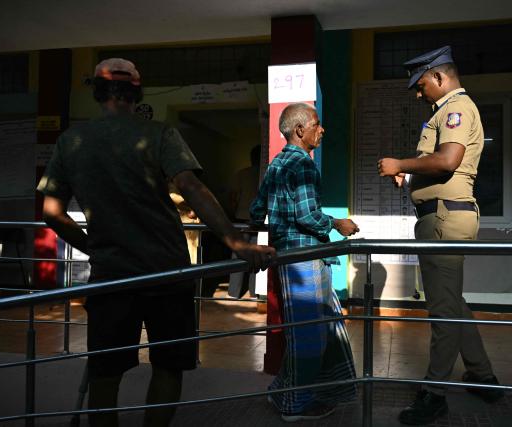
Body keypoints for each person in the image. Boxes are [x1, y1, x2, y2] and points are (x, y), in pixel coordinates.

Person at [37, 58, 275, 427]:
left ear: (98, 93)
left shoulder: (71, 141)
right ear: (137, 92)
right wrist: (236, 242)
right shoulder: (159, 134)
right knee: (168, 365)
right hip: (168, 271)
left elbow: (52, 212)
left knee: (105, 371)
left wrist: (93, 247)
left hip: (112, 275)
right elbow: (192, 188)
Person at [377, 46, 504, 425]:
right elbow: (439, 164)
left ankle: (435, 394)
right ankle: (483, 376)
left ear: (439, 77)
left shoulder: (455, 108)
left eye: (420, 85)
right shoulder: (445, 110)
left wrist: (400, 163)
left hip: (445, 219)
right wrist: (412, 174)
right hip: (440, 218)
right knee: (451, 302)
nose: (418, 93)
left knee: (443, 311)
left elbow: (449, 160)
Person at [249, 103, 359, 422]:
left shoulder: (277, 163)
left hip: (286, 257)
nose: (321, 130)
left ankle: (287, 391)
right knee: (311, 335)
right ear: (300, 130)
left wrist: (262, 227)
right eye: (317, 124)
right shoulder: (304, 165)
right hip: (305, 260)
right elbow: (307, 215)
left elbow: (258, 209)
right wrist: (338, 224)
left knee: (304, 331)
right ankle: (295, 404)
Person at [228, 144, 261, 298]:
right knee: (256, 254)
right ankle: (254, 292)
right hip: (259, 221)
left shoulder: (241, 174)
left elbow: (233, 198)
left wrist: (233, 213)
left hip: (241, 218)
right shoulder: (264, 174)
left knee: (238, 254)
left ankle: (233, 293)